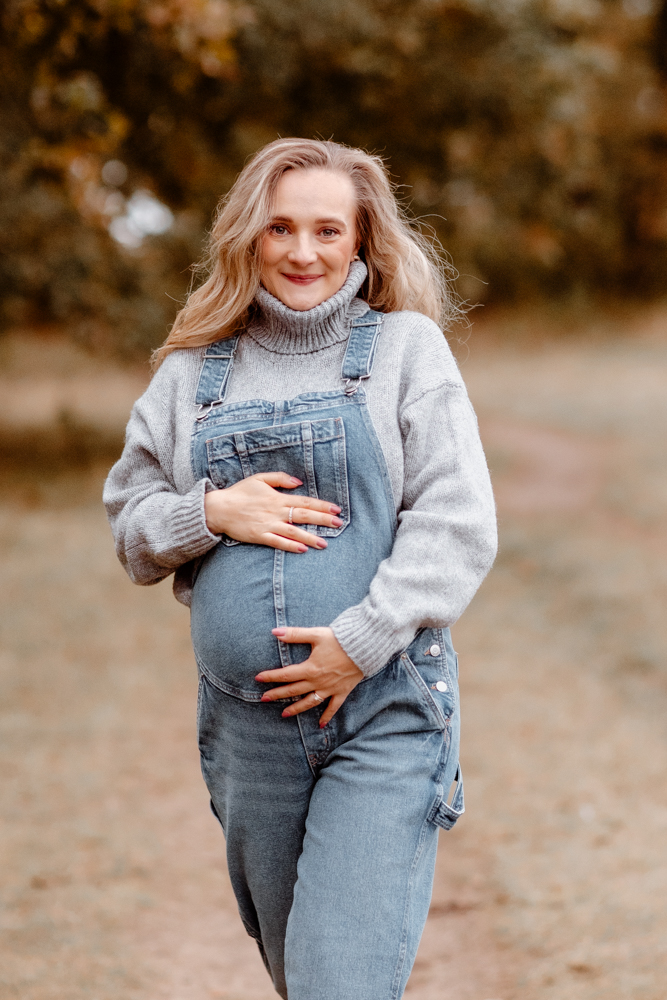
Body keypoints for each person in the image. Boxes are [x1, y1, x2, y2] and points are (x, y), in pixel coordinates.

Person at [104, 137, 497, 1000]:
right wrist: (209, 511)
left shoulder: (405, 351)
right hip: (249, 740)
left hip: (382, 710)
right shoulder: (186, 377)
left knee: (338, 985)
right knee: (306, 981)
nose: (302, 251)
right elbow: (130, 527)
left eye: (327, 229)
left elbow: (457, 523)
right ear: (247, 236)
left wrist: (357, 642)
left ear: (360, 240)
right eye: (279, 228)